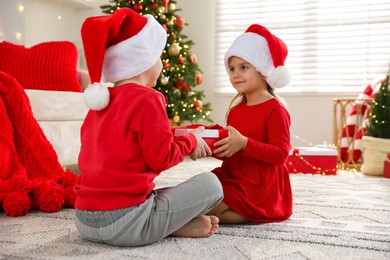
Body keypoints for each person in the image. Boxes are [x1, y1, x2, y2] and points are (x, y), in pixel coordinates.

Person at [74, 8, 223, 247]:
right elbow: (161, 158)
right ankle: (162, 225)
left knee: (156, 193)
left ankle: (167, 223)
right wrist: (191, 141)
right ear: (143, 62)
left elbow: (128, 142)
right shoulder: (148, 98)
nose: (162, 65)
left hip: (84, 222)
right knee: (211, 184)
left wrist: (178, 137)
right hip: (124, 223)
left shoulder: (99, 104)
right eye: (158, 58)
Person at [208, 24, 293, 224]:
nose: (235, 74)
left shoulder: (275, 110)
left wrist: (245, 143)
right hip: (235, 175)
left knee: (213, 210)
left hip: (260, 183)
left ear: (263, 71)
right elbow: (233, 149)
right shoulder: (236, 109)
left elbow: (280, 154)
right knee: (201, 196)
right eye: (232, 69)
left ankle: (257, 211)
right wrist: (215, 147)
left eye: (243, 67)